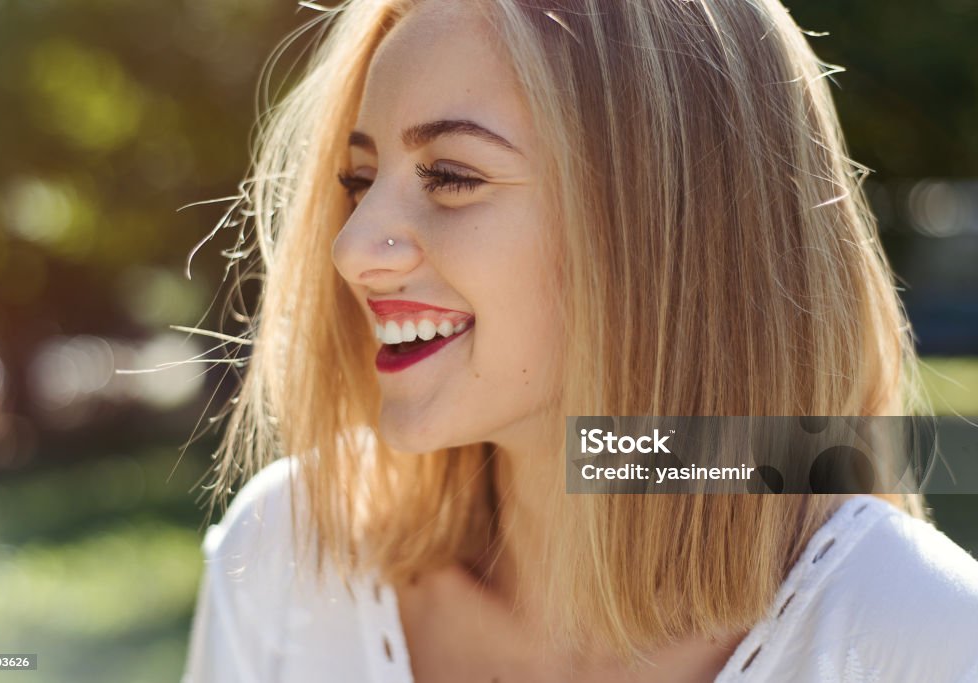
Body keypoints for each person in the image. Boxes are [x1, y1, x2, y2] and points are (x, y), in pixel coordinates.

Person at [182, 0, 978, 681]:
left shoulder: (925, 639)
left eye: (452, 175)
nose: (351, 248)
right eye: (360, 181)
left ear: (671, 224)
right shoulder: (285, 556)